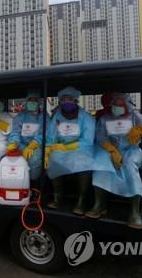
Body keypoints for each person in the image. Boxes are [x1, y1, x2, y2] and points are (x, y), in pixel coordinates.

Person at [86, 92, 142, 229]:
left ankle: (134, 211)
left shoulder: (136, 117)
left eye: (121, 105)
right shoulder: (105, 119)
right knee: (99, 163)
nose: (117, 107)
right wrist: (112, 150)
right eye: (115, 104)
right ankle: (100, 204)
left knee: (129, 165)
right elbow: (101, 138)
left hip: (131, 151)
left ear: (127, 105)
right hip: (111, 150)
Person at [45, 86, 96, 215]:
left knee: (85, 165)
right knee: (53, 160)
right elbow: (51, 136)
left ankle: (81, 201)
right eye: (63, 100)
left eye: (69, 99)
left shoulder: (85, 117)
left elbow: (88, 140)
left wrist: (69, 147)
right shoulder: (57, 116)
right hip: (61, 150)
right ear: (60, 102)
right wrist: (49, 148)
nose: (66, 102)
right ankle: (57, 197)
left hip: (81, 150)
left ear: (75, 100)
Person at [6, 90, 49, 181]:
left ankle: (32, 182)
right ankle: (16, 181)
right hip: (21, 144)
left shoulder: (44, 116)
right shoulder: (20, 116)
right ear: (26, 101)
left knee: (35, 158)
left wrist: (34, 144)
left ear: (39, 102)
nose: (32, 102)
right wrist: (14, 142)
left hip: (37, 145)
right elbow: (15, 131)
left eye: (35, 100)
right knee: (9, 157)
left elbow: (45, 132)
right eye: (30, 100)